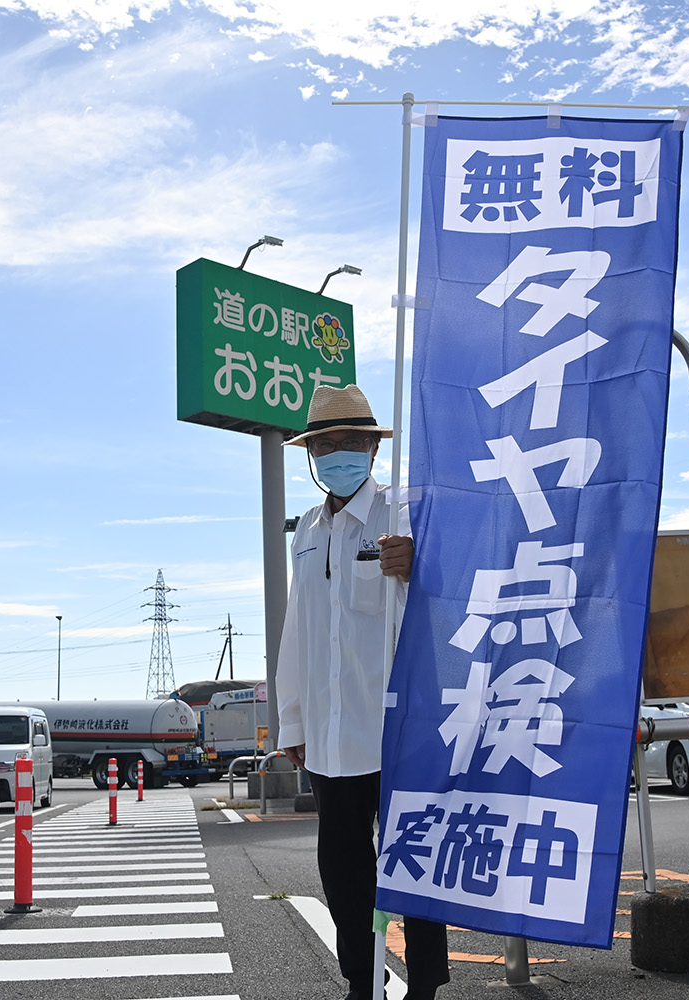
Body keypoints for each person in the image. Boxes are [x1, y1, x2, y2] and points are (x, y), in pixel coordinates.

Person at [276, 383, 449, 1000]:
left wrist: (422, 565)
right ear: (311, 456)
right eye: (325, 445)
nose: (337, 453)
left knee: (411, 860)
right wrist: (291, 721)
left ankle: (426, 981)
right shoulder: (308, 532)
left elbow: (454, 603)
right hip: (328, 733)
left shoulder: (402, 515)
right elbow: (298, 629)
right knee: (343, 867)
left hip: (396, 726)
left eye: (350, 442)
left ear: (374, 451)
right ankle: (361, 979)